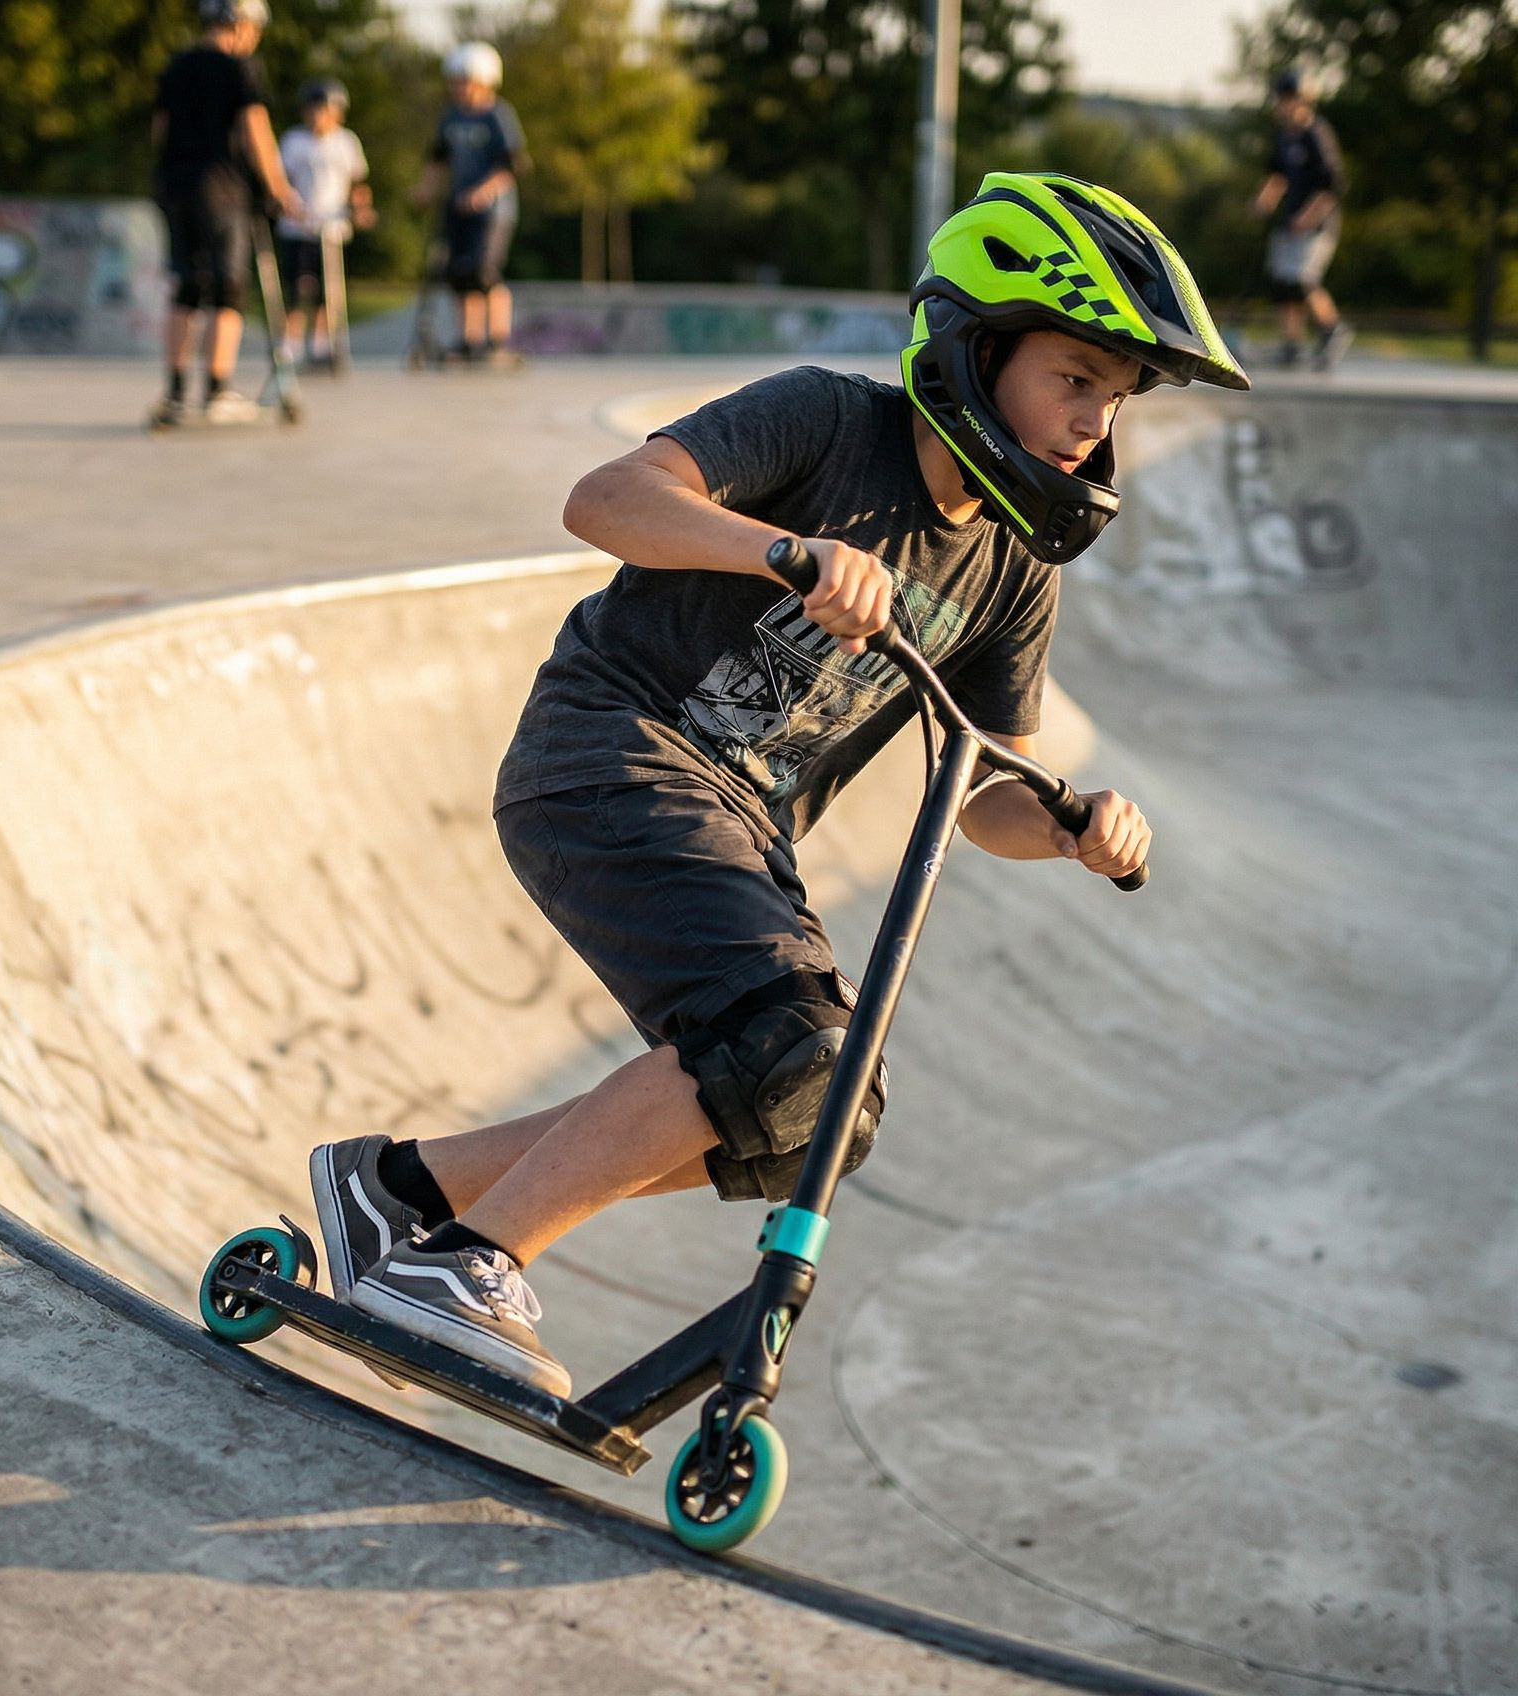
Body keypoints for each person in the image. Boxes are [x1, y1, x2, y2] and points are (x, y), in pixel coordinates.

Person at [306, 173, 1250, 1397]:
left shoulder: (1013, 569)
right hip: (610, 751)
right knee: (781, 1039)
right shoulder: (826, 422)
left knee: (819, 1104)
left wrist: (1072, 827)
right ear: (975, 346)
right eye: (1073, 378)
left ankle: (404, 1191)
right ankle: (464, 1265)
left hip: (745, 827)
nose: (1091, 422)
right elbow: (605, 500)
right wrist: (787, 551)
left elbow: (981, 790)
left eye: (1112, 399)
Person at [149, 0, 301, 426]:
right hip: (223, 190)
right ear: (241, 24)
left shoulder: (176, 67)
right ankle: (217, 389)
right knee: (227, 286)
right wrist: (279, 188)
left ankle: (176, 393)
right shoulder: (240, 67)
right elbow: (256, 130)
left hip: (174, 188)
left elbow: (160, 130)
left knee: (186, 286)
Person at [410, 42, 528, 364]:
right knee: (459, 275)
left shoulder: (497, 115)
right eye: (456, 81)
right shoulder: (451, 117)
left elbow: (512, 165)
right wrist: (425, 189)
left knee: (485, 273)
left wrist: (483, 192)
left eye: (465, 81)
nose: (459, 88)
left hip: (493, 212)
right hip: (457, 207)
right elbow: (438, 158)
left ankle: (499, 340)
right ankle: (470, 340)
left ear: (485, 81)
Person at [1253, 69, 1353, 370]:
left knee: (1301, 279)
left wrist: (1308, 218)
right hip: (1289, 221)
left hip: (1316, 224)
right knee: (1283, 283)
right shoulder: (1285, 137)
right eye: (1281, 100)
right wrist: (1265, 199)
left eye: (1289, 100)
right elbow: (1278, 175)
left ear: (1303, 101)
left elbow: (1332, 185)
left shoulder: (1316, 135)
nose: (1283, 106)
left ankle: (1332, 329)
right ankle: (1291, 343)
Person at [276, 78, 374, 368]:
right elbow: (282, 180)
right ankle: (290, 344)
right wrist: (288, 205)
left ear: (337, 112)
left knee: (326, 289)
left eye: (323, 110)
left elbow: (358, 183)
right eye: (312, 110)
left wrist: (362, 209)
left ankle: (322, 344)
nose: (317, 116)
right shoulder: (294, 141)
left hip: (331, 226)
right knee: (296, 287)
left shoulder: (346, 142)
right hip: (298, 225)